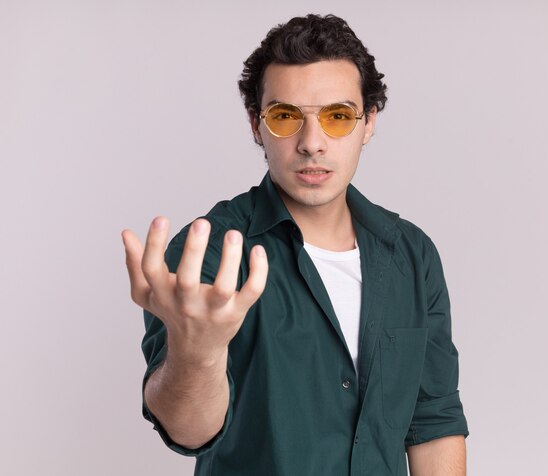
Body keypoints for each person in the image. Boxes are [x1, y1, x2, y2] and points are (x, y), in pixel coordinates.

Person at [122, 13, 469, 476]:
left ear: (368, 123)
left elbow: (433, 422)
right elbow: (188, 431)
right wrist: (196, 351)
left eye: (338, 116)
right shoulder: (207, 253)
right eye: (286, 117)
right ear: (256, 125)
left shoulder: (411, 254)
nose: (312, 143)